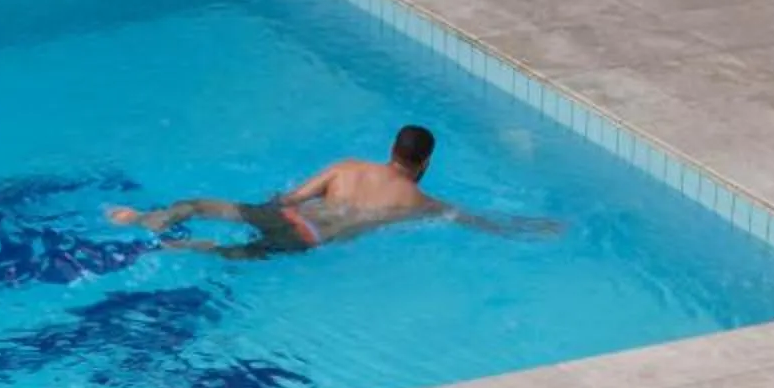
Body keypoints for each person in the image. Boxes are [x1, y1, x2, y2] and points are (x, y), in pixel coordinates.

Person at [107, 126, 558, 261]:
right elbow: (476, 221)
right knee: (235, 255)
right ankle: (175, 246)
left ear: (391, 150)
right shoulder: (420, 203)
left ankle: (144, 220)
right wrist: (532, 228)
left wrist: (272, 201)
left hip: (283, 216)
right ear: (424, 163)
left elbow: (291, 200)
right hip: (309, 239)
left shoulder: (347, 167)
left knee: (203, 205)